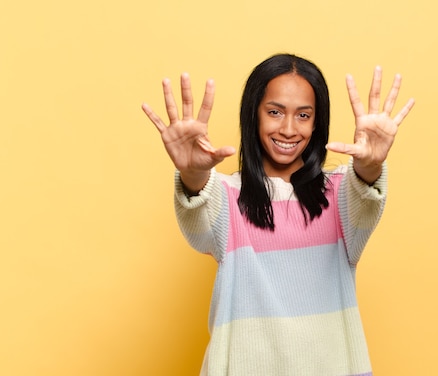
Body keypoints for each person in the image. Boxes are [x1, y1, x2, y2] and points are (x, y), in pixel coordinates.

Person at [142, 53, 414, 376]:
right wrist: (191, 174)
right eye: (275, 112)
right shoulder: (229, 197)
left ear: (317, 123)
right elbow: (199, 221)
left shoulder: (340, 194)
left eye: (303, 115)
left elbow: (365, 199)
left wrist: (370, 164)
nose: (288, 129)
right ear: (253, 115)